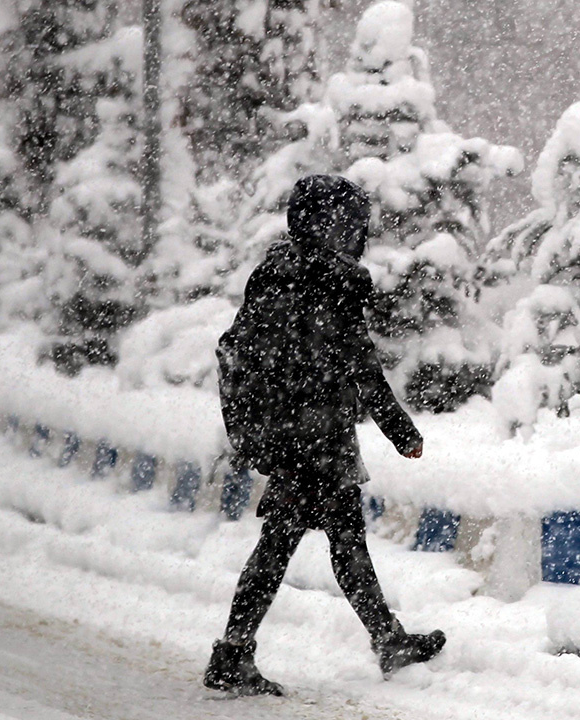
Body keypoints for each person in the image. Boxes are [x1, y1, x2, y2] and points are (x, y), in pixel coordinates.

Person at [204, 174, 445, 697]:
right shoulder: (329, 282)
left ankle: (382, 639)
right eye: (351, 225)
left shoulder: (275, 273)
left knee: (322, 538)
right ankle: (236, 652)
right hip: (313, 438)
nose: (357, 235)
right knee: (303, 543)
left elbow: (248, 351)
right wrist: (402, 431)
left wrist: (262, 429)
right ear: (328, 226)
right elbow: (361, 367)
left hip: (290, 435)